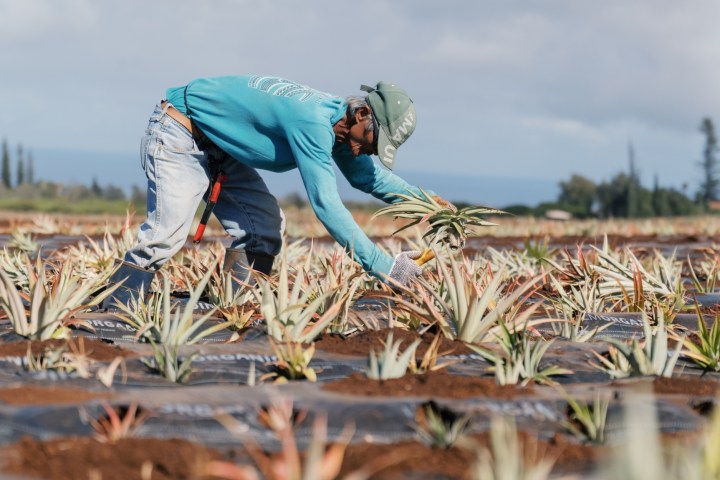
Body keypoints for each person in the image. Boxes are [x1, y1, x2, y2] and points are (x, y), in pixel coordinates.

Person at [104, 75, 452, 308]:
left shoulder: (344, 128)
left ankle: (232, 305)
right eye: (377, 141)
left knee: (264, 229)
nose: (375, 152)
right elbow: (327, 205)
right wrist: (386, 268)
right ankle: (116, 307)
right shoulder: (314, 124)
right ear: (362, 113)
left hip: (222, 147)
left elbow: (369, 179)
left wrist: (429, 205)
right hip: (180, 130)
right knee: (166, 235)